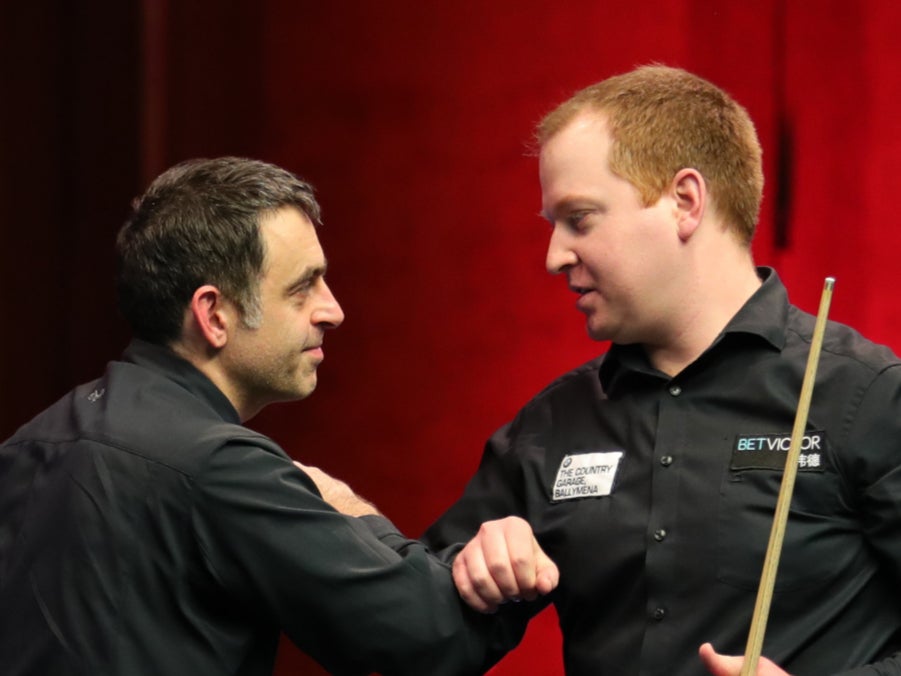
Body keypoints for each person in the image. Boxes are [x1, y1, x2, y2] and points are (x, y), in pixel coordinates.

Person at [422, 65, 901, 675]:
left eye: (580, 218)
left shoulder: (863, 396)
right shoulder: (551, 425)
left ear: (684, 202)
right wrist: (469, 561)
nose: (553, 256)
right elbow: (424, 636)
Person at [0, 157, 556, 676]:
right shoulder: (218, 466)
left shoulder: (27, 443)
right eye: (302, 287)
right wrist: (346, 507)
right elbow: (425, 634)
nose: (332, 311)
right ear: (214, 314)